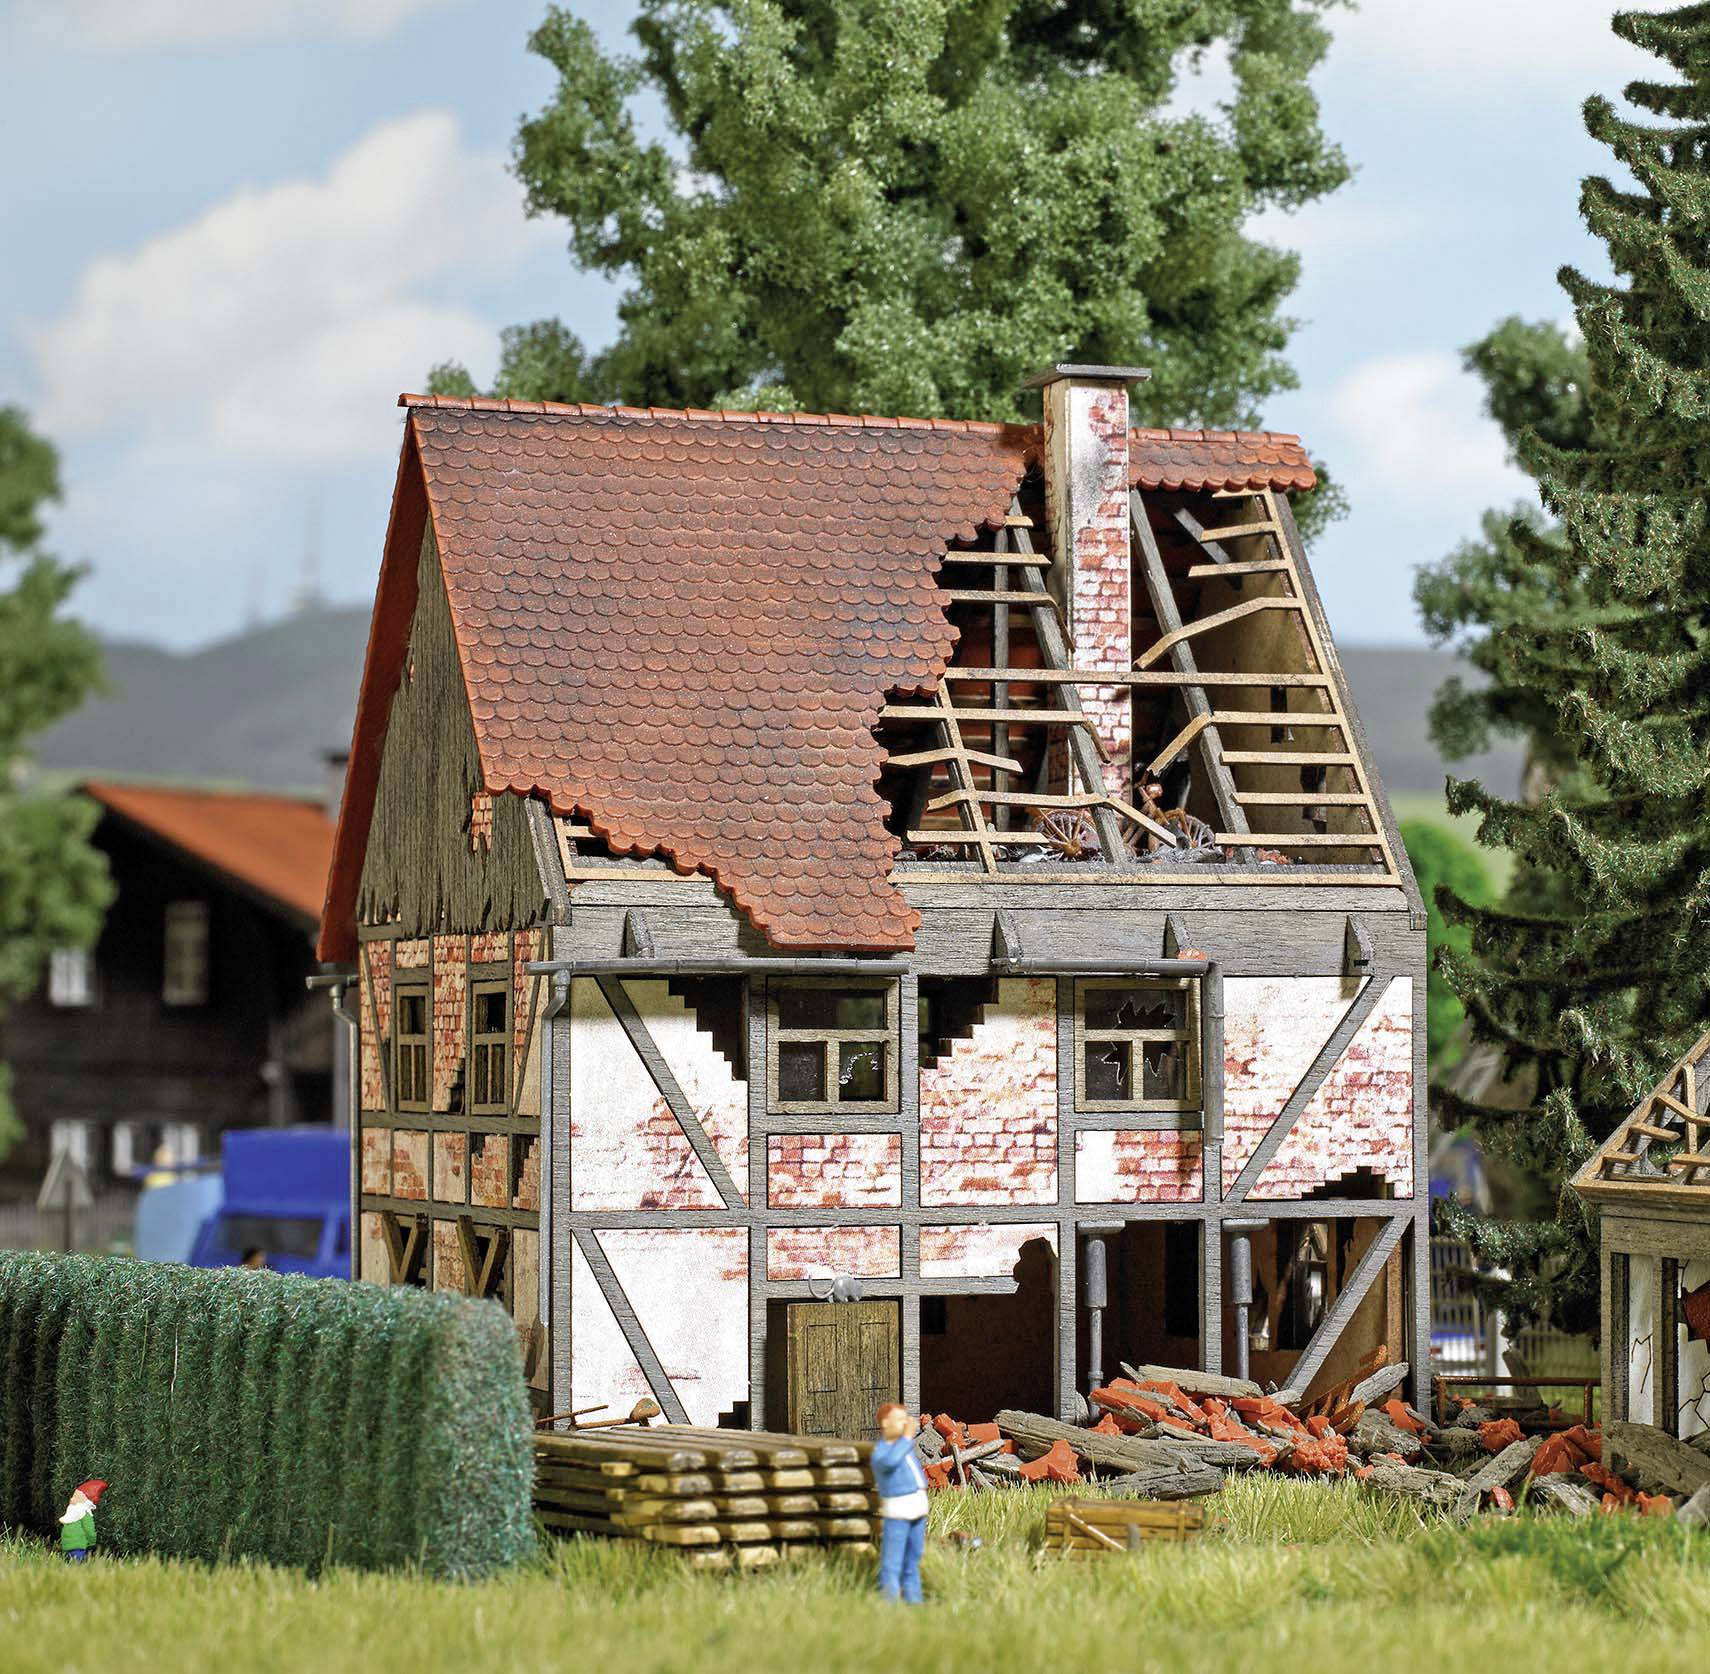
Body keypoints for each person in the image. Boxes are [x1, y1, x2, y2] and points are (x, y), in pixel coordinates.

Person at [869, 1404, 928, 1603]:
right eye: (901, 1420)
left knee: (913, 1560)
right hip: (899, 1511)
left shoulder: (904, 1448)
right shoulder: (882, 1452)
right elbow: (890, 1463)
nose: (906, 1424)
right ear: (885, 1423)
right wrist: (906, 1439)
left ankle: (914, 1601)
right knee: (892, 1563)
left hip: (917, 1508)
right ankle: (889, 1602)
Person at [58, 1480, 107, 1562]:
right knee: (78, 1561)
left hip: (69, 1545)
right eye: (73, 1496)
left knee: (71, 1560)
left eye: (76, 1497)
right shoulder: (83, 1513)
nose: (72, 1499)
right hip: (78, 1545)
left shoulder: (74, 1514)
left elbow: (87, 1528)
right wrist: (92, 1542)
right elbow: (89, 1529)